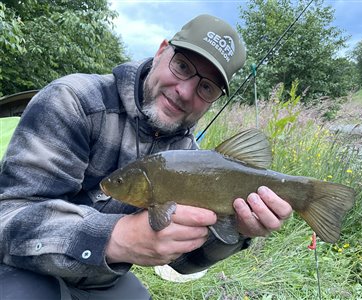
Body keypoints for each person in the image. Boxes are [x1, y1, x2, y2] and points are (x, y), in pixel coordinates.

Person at [0, 14, 292, 299]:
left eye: (206, 87)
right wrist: (115, 237)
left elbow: (182, 263)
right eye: (182, 66)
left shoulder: (189, 155)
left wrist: (237, 229)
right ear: (161, 51)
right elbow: (8, 217)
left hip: (102, 281)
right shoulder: (73, 100)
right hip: (22, 270)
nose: (184, 91)